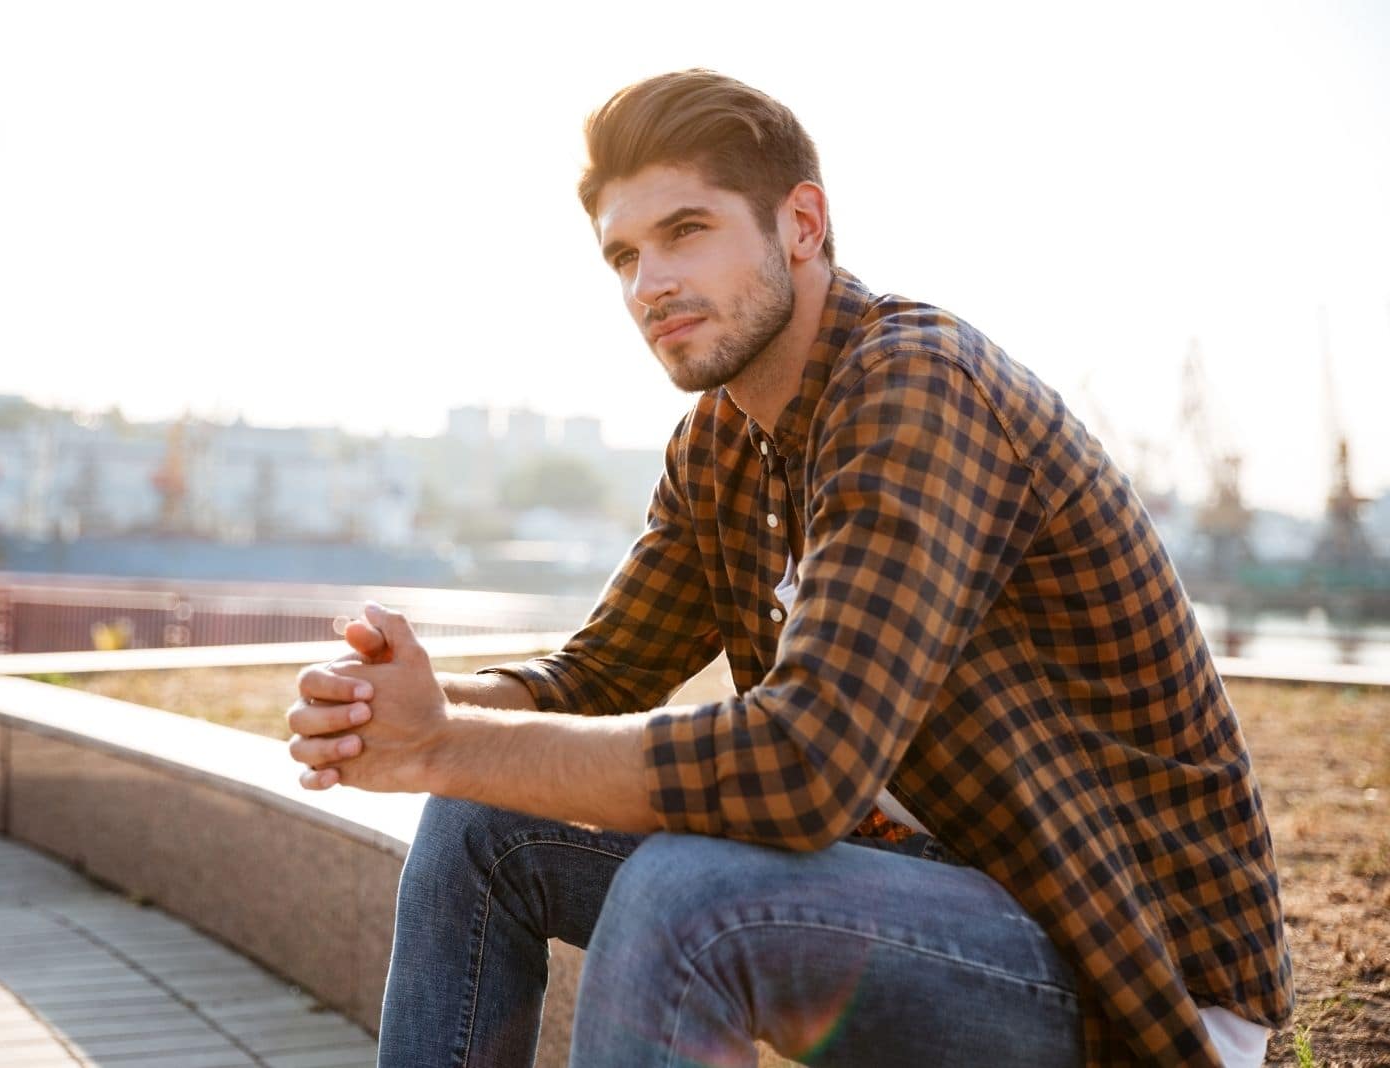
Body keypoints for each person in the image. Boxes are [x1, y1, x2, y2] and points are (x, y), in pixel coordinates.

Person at [286, 70, 1292, 1067]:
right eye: (624, 256)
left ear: (800, 223)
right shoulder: (718, 442)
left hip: (1115, 956)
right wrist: (408, 709)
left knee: (683, 898)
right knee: (478, 819)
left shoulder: (917, 386)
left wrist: (439, 741)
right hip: (914, 888)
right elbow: (592, 683)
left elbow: (802, 767)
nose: (649, 285)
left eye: (687, 231)